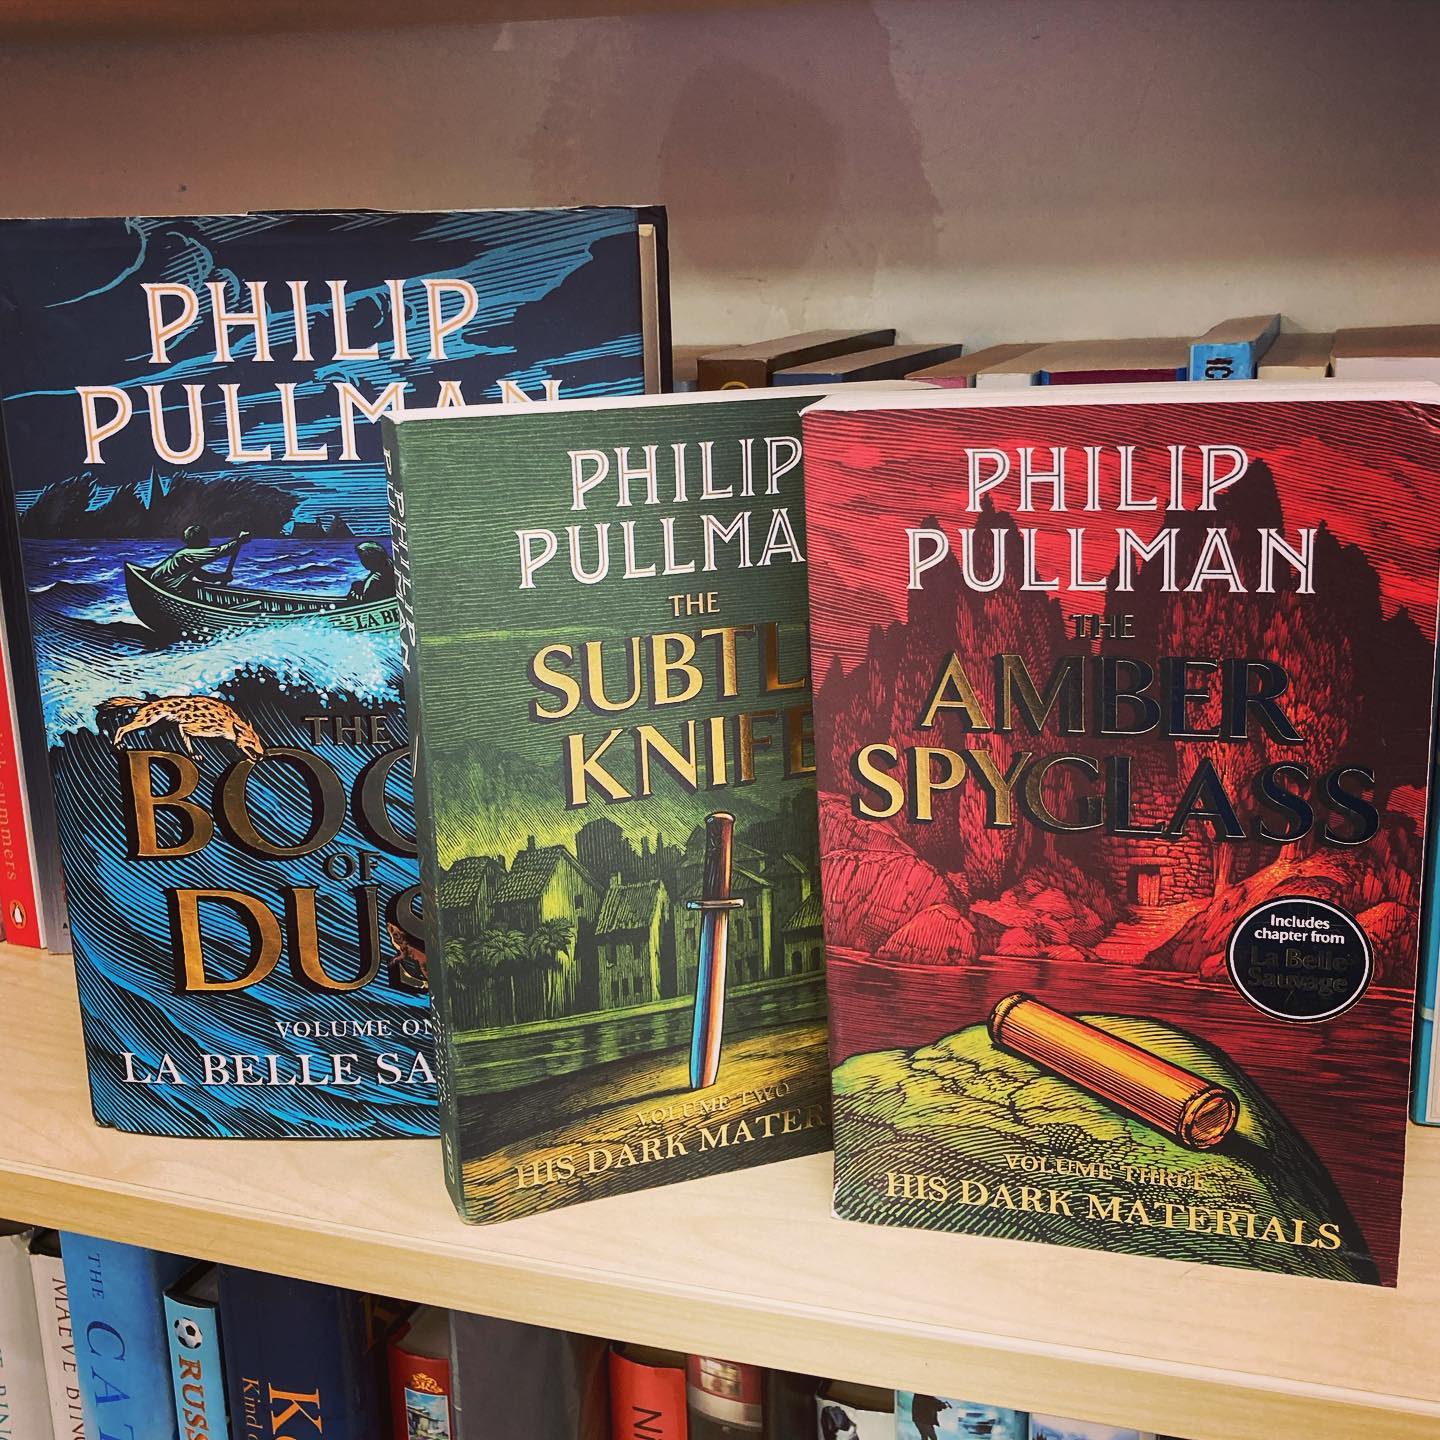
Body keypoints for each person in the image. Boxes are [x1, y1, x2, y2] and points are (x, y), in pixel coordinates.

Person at [148, 525, 250, 594]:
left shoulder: (189, 559)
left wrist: (220, 577)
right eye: (205, 538)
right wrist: (239, 540)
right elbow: (218, 551)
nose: (208, 541)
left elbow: (201, 575)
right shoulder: (187, 554)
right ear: (199, 540)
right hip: (162, 587)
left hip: (168, 586)